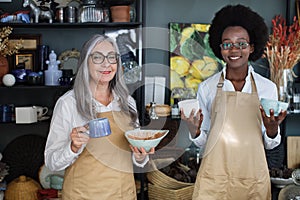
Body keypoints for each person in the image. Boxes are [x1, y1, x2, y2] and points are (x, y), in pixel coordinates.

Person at [181, 4, 287, 200]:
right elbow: (205, 143)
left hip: (252, 179)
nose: (234, 50)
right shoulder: (207, 87)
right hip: (214, 180)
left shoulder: (267, 88)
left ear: (252, 47)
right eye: (227, 44)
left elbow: (270, 144)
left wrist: (272, 130)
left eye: (241, 43)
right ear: (219, 48)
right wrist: (194, 130)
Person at [44, 34, 153, 200]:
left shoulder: (127, 102)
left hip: (123, 194)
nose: (106, 64)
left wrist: (140, 156)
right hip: (83, 195)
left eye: (111, 57)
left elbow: (136, 157)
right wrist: (72, 147)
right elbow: (52, 162)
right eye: (97, 57)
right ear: (85, 63)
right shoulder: (68, 103)